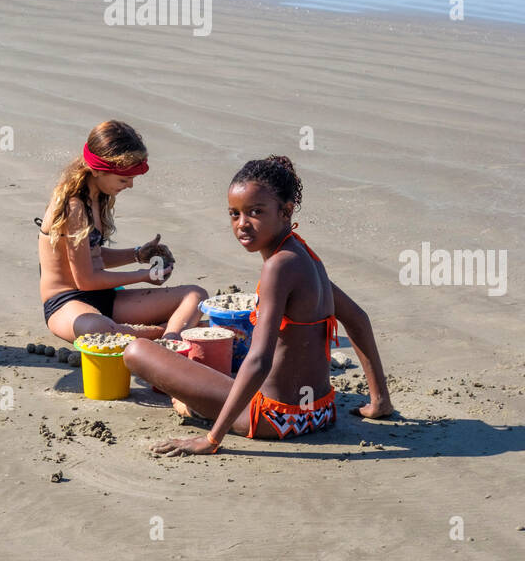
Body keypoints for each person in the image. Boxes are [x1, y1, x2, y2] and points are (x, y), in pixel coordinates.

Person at [126, 154, 393, 456]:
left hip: (275, 418)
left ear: (285, 211)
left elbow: (259, 361)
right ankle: (199, 403)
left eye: (255, 212)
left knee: (137, 352)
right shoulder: (305, 256)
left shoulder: (277, 267)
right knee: (216, 371)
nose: (242, 224)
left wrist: (212, 440)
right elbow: (357, 318)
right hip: (318, 412)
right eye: (234, 214)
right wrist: (378, 399)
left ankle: (200, 413)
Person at [37, 120, 207, 343]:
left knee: (196, 295)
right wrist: (145, 276)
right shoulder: (74, 206)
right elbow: (85, 280)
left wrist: (137, 254)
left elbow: (92, 256)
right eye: (124, 179)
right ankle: (165, 334)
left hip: (107, 297)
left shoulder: (98, 195)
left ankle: (166, 338)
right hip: (68, 303)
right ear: (98, 170)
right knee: (97, 327)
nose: (130, 185)